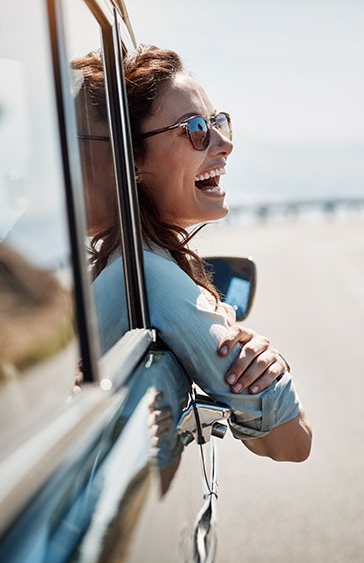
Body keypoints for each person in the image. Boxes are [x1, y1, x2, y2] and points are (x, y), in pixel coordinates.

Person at [74, 46, 312, 463]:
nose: (224, 144)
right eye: (196, 128)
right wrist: (273, 369)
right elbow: (292, 443)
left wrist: (267, 362)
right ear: (130, 161)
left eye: (220, 122)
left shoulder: (119, 265)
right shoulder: (147, 274)